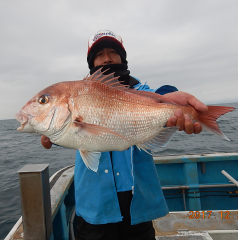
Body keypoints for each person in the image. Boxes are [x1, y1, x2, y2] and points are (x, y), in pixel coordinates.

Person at [41, 30, 208, 240]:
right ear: (92, 62)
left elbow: (160, 95)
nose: (107, 58)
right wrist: (52, 133)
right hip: (95, 206)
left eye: (113, 52)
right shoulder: (81, 94)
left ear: (123, 57)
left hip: (138, 204)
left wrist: (173, 101)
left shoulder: (139, 91)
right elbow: (72, 130)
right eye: (99, 55)